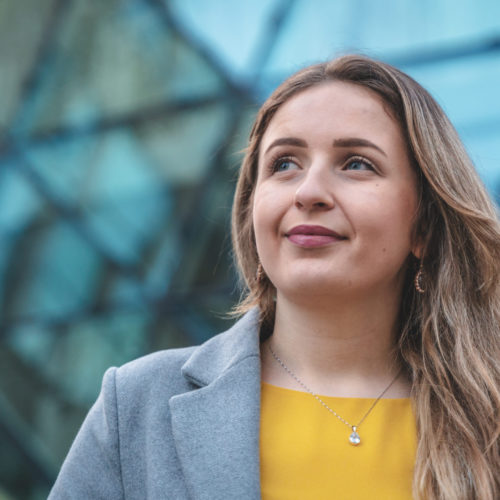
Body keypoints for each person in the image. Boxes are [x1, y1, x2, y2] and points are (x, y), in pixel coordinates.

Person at [49, 55, 500, 500]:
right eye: (284, 163)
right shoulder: (137, 405)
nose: (308, 192)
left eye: (356, 163)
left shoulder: (489, 422)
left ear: (423, 226)